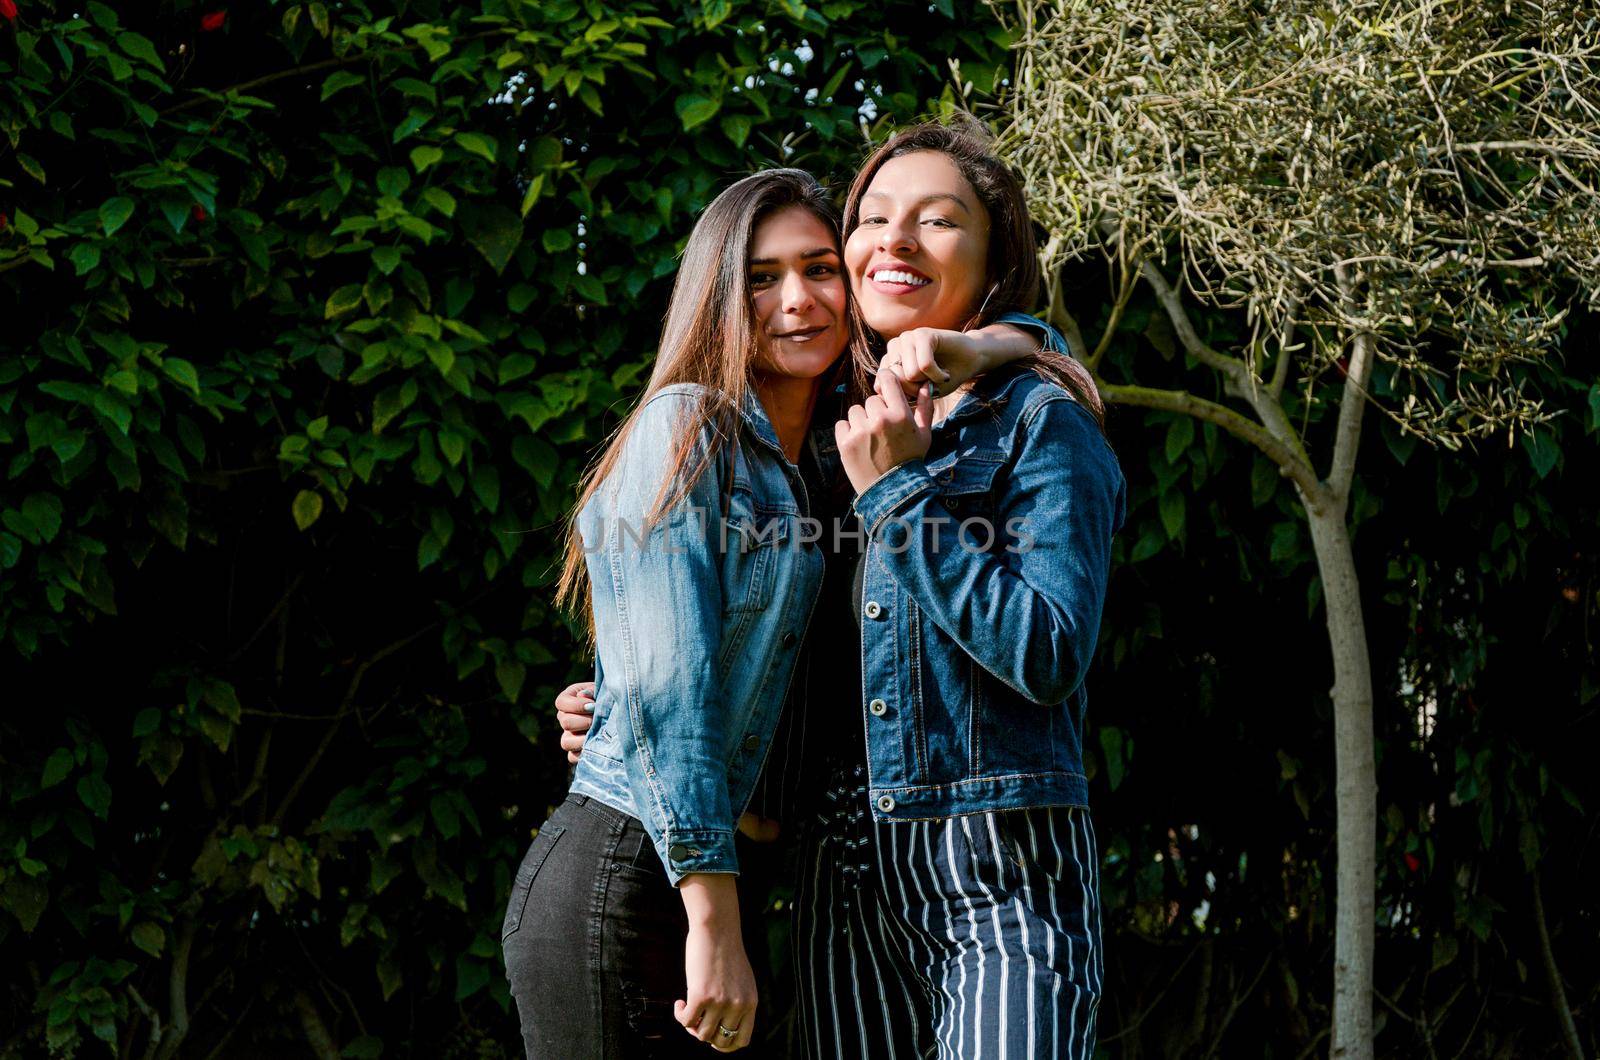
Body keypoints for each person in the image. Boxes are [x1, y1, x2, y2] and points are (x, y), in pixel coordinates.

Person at [503, 165, 1056, 1058]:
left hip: (746, 890)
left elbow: (1042, 337)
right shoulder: (688, 428)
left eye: (820, 268)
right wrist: (712, 924)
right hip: (645, 881)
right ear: (717, 296)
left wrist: (986, 347)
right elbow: (673, 694)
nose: (798, 299)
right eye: (761, 277)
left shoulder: (844, 465)